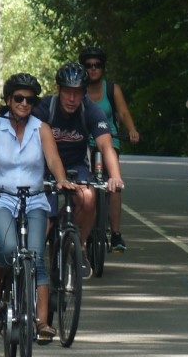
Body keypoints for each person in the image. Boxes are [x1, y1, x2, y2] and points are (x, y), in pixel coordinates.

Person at [0, 73, 72, 344]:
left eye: (29, 99)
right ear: (9, 99)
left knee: (36, 257)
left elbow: (53, 159)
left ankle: (42, 322)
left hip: (34, 198)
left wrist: (61, 180)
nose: (24, 103)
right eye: (18, 98)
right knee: (10, 248)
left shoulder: (41, 129)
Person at [32, 61, 125, 278]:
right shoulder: (46, 108)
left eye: (77, 93)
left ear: (84, 93)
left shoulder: (90, 111)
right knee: (46, 215)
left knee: (89, 197)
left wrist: (116, 177)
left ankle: (79, 246)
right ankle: (34, 258)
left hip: (76, 167)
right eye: (67, 93)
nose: (72, 99)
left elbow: (106, 146)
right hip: (44, 168)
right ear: (59, 90)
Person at [79, 46, 139, 252]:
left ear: (103, 68)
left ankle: (115, 234)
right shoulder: (77, 90)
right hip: (85, 140)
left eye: (97, 65)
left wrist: (131, 130)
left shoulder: (112, 89)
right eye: (88, 66)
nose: (93, 69)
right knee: (84, 183)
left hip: (109, 139)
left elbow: (122, 113)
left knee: (114, 183)